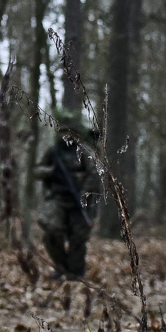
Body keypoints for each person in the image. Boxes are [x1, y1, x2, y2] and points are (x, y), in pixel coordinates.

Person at [34, 109, 100, 281]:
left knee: (78, 237)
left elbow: (93, 174)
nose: (65, 136)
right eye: (62, 132)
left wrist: (83, 194)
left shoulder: (84, 151)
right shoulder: (53, 152)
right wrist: (51, 172)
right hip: (58, 198)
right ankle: (61, 267)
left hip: (80, 201)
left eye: (69, 132)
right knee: (51, 231)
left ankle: (75, 271)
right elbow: (37, 170)